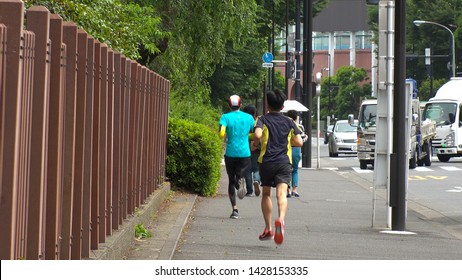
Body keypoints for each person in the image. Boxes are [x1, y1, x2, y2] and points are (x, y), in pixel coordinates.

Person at [252, 90, 303, 245]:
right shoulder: (289, 121)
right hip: (283, 162)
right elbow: (299, 142)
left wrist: (255, 144)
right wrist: (289, 142)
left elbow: (258, 135)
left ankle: (268, 228)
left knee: (266, 193)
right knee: (281, 193)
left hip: (267, 161)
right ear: (282, 106)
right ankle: (280, 219)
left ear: (268, 104)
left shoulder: (262, 119)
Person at [219, 95, 256, 219]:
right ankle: (239, 178)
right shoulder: (249, 118)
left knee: (231, 180)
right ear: (240, 105)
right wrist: (247, 137)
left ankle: (234, 209)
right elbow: (253, 133)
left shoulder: (225, 117)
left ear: (229, 105)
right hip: (245, 152)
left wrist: (226, 135)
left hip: (230, 152)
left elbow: (221, 133)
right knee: (241, 172)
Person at [286, 110, 308, 198]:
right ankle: (295, 189)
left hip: (287, 149)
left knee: (287, 170)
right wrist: (306, 137)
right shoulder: (300, 127)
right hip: (296, 150)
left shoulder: (285, 125)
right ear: (296, 117)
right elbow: (301, 140)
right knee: (295, 170)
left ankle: (288, 190)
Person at [243, 104, 261, 197]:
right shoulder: (256, 122)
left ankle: (249, 190)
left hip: (245, 149)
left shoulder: (243, 122)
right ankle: (256, 181)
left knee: (247, 170)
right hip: (256, 148)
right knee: (257, 168)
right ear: (254, 113)